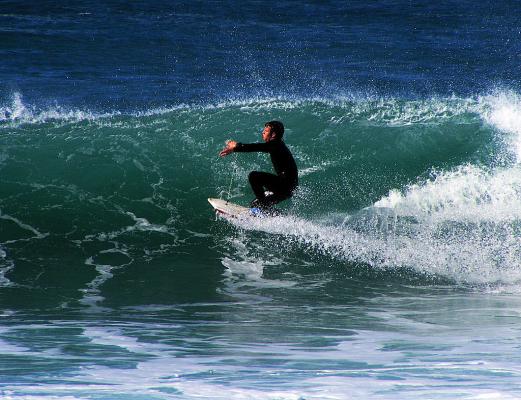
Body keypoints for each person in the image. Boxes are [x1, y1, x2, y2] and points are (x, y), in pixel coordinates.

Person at [219, 120, 298, 210]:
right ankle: (273, 216)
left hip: (285, 187)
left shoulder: (276, 145)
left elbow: (255, 147)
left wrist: (237, 146)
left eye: (266, 131)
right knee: (255, 204)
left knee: (254, 176)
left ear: (273, 134)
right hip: (287, 189)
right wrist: (234, 149)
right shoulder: (278, 145)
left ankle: (263, 208)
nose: (263, 132)